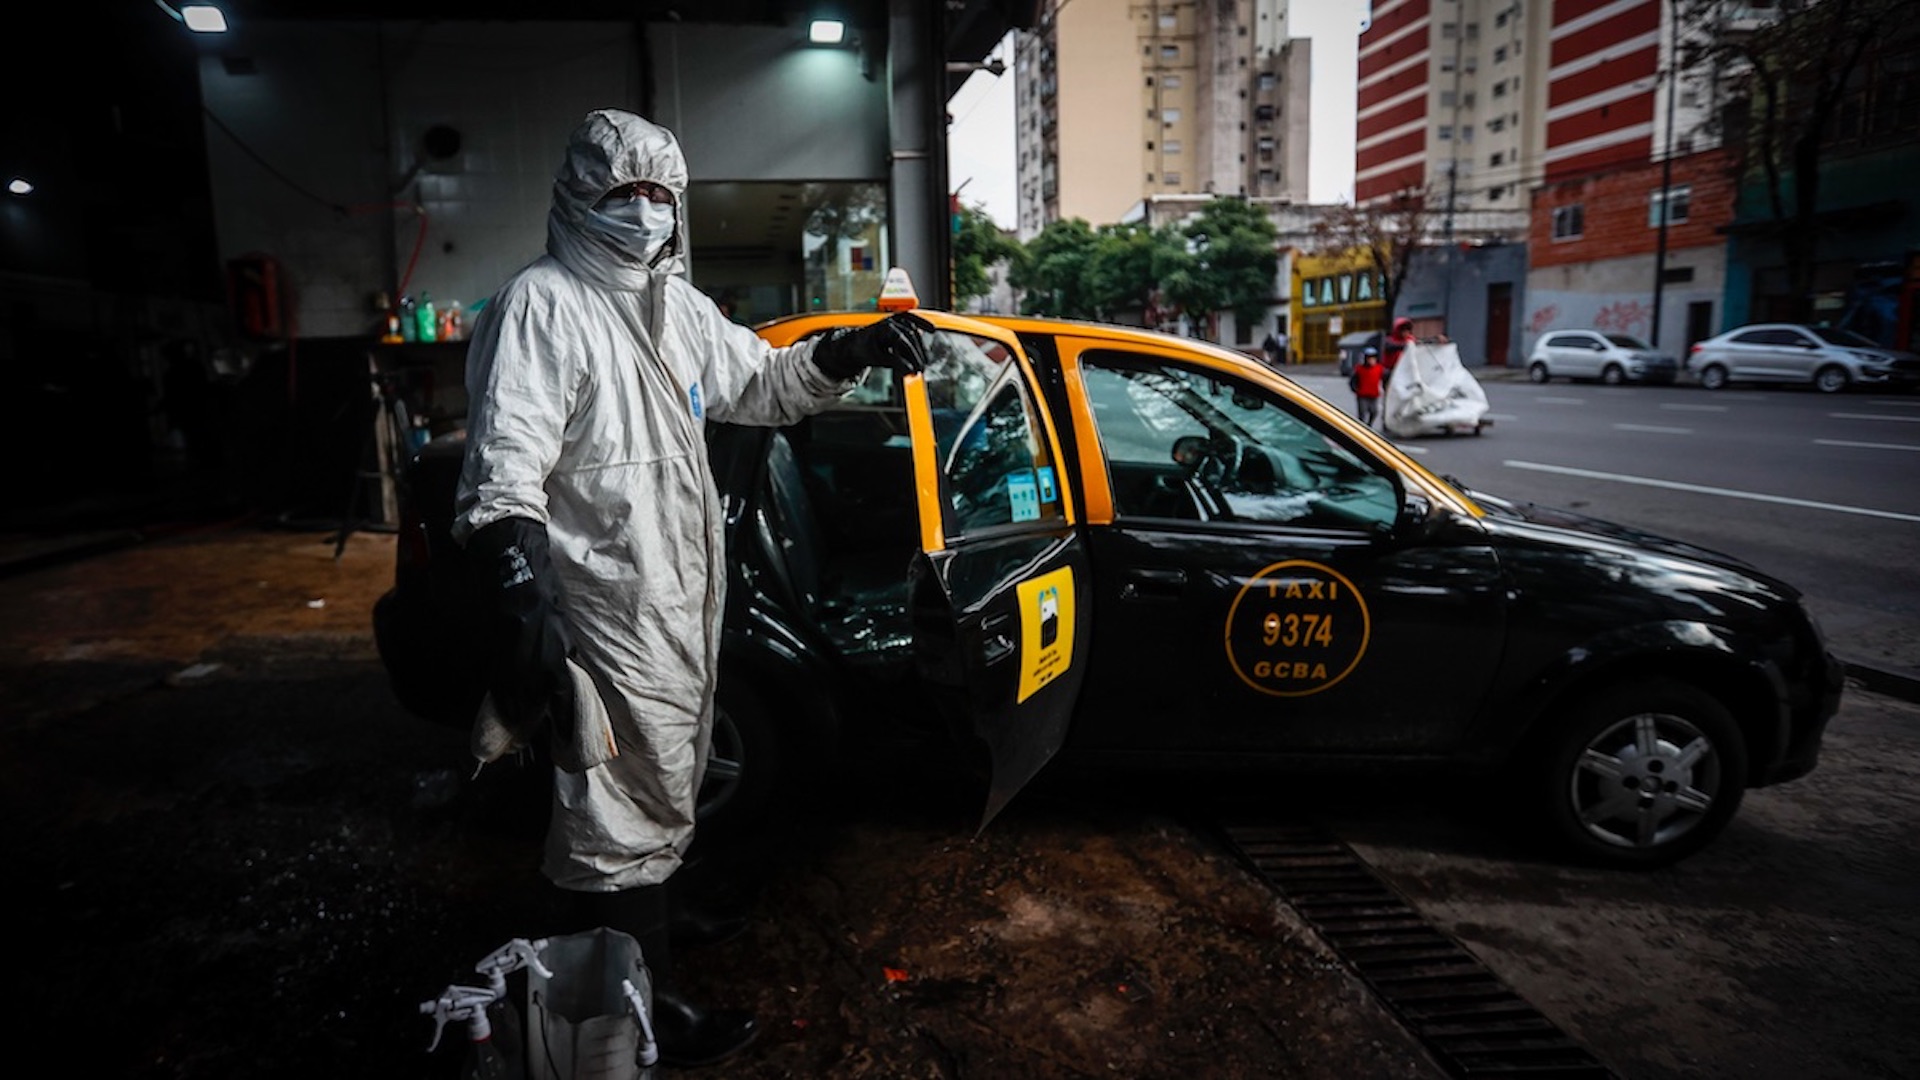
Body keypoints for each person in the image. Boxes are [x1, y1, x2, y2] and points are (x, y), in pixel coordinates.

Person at [451, 108, 930, 1068]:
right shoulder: (542, 306)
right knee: (610, 814)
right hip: (606, 609)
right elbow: (503, 475)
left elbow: (765, 385)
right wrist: (524, 603)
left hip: (679, 604)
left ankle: (650, 929)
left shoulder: (676, 307)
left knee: (665, 783)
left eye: (659, 193)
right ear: (577, 196)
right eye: (621, 191)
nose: (643, 210)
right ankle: (641, 1003)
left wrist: (851, 351)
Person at [1349, 346, 1385, 429]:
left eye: (1373, 358)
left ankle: (1369, 424)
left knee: (1374, 411)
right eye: (1369, 358)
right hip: (1362, 395)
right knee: (1362, 412)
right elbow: (1353, 381)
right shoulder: (1359, 369)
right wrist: (1355, 389)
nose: (1371, 360)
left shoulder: (1379, 368)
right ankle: (1361, 428)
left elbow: (1385, 378)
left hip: (1374, 394)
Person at [1382, 316, 1415, 384]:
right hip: (1391, 371)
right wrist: (1405, 345)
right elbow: (1391, 347)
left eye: (1407, 330)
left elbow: (1421, 343)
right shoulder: (1389, 341)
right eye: (1403, 330)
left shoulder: (1411, 339)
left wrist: (1436, 339)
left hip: (1406, 370)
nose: (1406, 332)